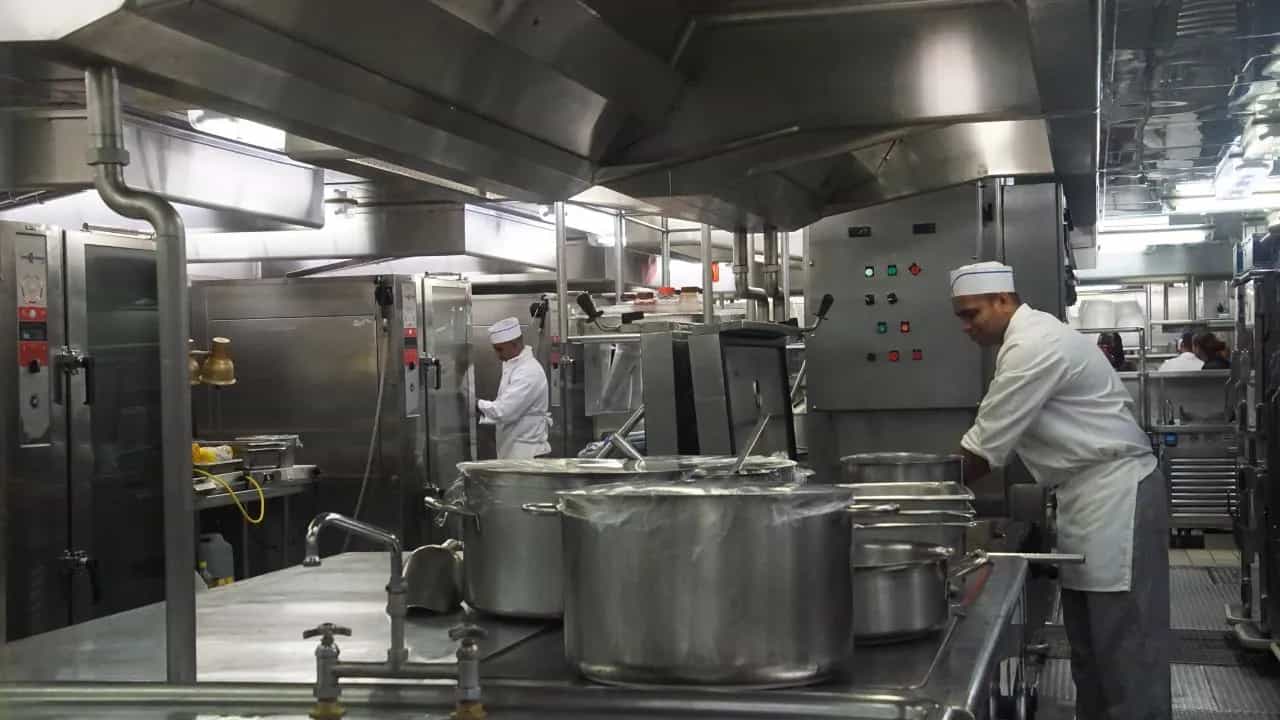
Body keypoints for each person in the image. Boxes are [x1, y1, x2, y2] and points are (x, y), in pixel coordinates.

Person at [949, 261, 1170, 720]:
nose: (966, 327)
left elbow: (984, 451)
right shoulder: (1023, 342)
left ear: (1003, 300)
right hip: (1087, 499)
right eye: (961, 317)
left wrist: (920, 496)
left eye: (972, 314)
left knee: (1126, 654)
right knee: (1092, 652)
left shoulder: (1035, 345)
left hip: (1116, 496)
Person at [477, 317, 551, 459]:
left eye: (500, 349)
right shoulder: (514, 366)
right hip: (515, 449)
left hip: (527, 455)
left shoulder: (528, 371)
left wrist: (476, 403)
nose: (497, 355)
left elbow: (504, 411)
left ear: (515, 344)